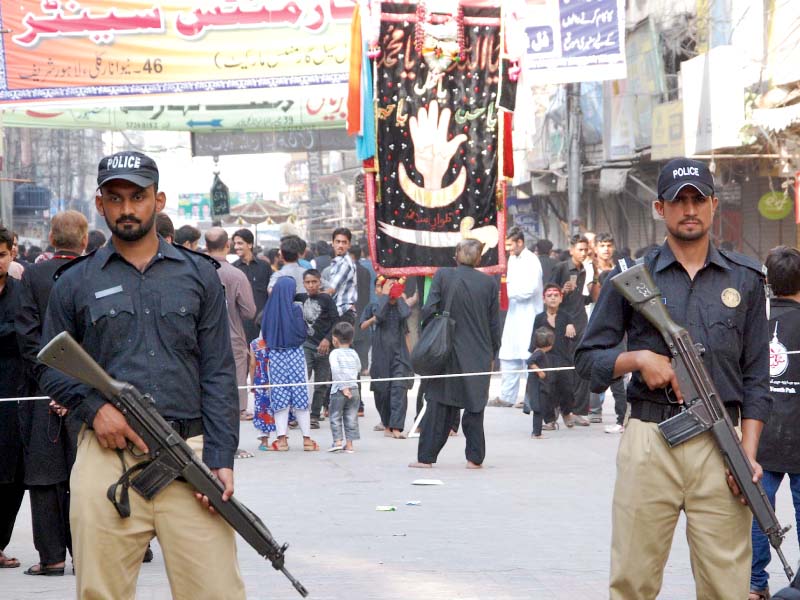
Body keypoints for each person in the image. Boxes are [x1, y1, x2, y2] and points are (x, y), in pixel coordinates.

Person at [37, 151, 246, 598]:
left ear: (159, 200)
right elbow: (49, 367)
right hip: (106, 457)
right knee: (101, 592)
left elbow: (218, 373)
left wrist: (222, 457)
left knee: (217, 591)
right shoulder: (74, 282)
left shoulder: (200, 276)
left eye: (138, 196)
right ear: (100, 204)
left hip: (190, 456)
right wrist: (95, 410)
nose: (127, 208)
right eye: (115, 198)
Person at [575, 158, 771, 599]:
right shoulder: (630, 278)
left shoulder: (746, 279)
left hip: (723, 448)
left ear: (714, 205)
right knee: (633, 581)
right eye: (678, 200)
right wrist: (640, 358)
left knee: (727, 585)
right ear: (658, 208)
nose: (689, 209)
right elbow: (588, 360)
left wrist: (749, 454)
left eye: (697, 199)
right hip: (650, 440)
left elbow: (758, 376)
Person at [15, 211, 88, 576]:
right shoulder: (93, 274)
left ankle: (52, 558)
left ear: (51, 237)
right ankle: (88, 555)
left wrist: (50, 386)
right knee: (87, 475)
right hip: (87, 396)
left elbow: (27, 337)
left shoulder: (33, 275)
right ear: (85, 239)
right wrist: (75, 388)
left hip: (40, 391)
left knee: (44, 478)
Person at [410, 239, 500, 469]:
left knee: (439, 404)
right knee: (474, 406)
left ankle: (426, 458)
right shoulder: (489, 283)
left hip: (447, 351)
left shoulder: (443, 275)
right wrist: (493, 351)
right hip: (478, 352)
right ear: (479, 258)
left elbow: (429, 310)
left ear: (457, 254)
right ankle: (474, 458)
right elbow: (493, 323)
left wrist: (429, 335)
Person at [749, 246, 800, 600]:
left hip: (760, 435)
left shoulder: (755, 324)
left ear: (766, 282)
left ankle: (755, 583)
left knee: (757, 515)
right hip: (798, 437)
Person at [259, 276, 319, 451]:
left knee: (279, 396)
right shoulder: (296, 309)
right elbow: (303, 334)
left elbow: (264, 335)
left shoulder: (269, 311)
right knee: (300, 394)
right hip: (296, 356)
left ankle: (282, 440)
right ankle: (307, 440)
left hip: (276, 357)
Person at [205, 227, 257, 428]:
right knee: (235, 382)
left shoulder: (197, 272)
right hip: (232, 336)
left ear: (206, 247)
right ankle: (237, 418)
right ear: (227, 245)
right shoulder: (236, 275)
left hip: (204, 338)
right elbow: (249, 311)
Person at [493, 227, 543, 408]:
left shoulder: (531, 261)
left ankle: (531, 398)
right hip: (514, 315)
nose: (507, 249)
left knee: (528, 357)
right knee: (508, 355)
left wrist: (508, 294)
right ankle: (506, 397)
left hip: (529, 315)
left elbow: (531, 289)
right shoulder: (512, 259)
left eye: (510, 244)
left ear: (520, 242)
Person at [0, 226, 25, 570]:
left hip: (14, 392)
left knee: (12, 475)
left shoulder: (21, 293)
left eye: (2, 254)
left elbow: (27, 334)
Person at [361, 276, 413, 438]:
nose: (384, 289)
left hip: (399, 354)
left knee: (399, 388)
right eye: (380, 287)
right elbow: (364, 324)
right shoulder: (374, 306)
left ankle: (396, 427)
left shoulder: (400, 306)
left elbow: (406, 316)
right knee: (382, 390)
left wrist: (398, 297)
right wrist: (384, 297)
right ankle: (387, 424)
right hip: (380, 354)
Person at [549, 234, 592, 426]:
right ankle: (556, 410)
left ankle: (579, 410)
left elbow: (587, 298)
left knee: (582, 365)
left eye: (586, 249)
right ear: (572, 249)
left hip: (581, 320)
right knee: (561, 368)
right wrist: (562, 292)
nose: (583, 253)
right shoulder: (560, 267)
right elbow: (549, 293)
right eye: (580, 249)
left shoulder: (586, 269)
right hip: (563, 322)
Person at [588, 232, 627, 430]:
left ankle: (622, 414)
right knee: (597, 364)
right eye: (602, 245)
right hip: (594, 318)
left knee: (619, 369)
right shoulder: (590, 268)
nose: (606, 249)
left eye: (609, 245)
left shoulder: (620, 267)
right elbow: (593, 297)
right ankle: (595, 410)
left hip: (618, 321)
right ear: (595, 248)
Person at [295, 269, 338, 429]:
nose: (311, 285)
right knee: (302, 378)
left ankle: (314, 415)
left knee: (321, 383)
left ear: (320, 282)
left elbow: (336, 321)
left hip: (324, 348)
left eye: (314, 282)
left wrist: (327, 339)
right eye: (308, 282)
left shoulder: (326, 299)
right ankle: (298, 413)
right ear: (304, 283)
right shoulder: (300, 298)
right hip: (307, 344)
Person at [532, 284, 577, 429]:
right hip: (546, 360)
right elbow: (534, 340)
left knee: (567, 388)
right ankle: (550, 420)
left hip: (563, 358)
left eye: (556, 295)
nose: (553, 298)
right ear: (544, 299)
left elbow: (573, 338)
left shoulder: (566, 316)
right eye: (549, 296)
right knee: (547, 390)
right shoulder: (539, 318)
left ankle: (566, 412)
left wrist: (571, 326)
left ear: (561, 298)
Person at [232, 228, 272, 345]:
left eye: (240, 243)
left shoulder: (264, 266)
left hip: (263, 323)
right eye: (235, 243)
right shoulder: (233, 268)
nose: (236, 247)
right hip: (241, 325)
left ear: (250, 244)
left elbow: (270, 293)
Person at [327, 322, 362, 453]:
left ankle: (337, 441)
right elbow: (358, 367)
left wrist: (343, 387)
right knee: (351, 416)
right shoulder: (354, 353)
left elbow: (335, 371)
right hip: (354, 389)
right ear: (351, 339)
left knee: (335, 415)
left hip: (338, 390)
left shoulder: (334, 354)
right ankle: (349, 444)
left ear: (335, 339)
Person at [526, 327, 555, 439]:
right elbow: (529, 362)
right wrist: (539, 371)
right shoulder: (539, 353)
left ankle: (537, 432)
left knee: (541, 408)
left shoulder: (539, 352)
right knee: (539, 409)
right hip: (538, 387)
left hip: (541, 386)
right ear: (549, 344)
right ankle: (536, 433)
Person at [325, 227, 357, 325]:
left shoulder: (346, 264)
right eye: (338, 242)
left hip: (343, 314)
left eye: (344, 242)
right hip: (337, 313)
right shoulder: (337, 262)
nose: (340, 245)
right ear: (333, 243)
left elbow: (331, 289)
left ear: (349, 245)